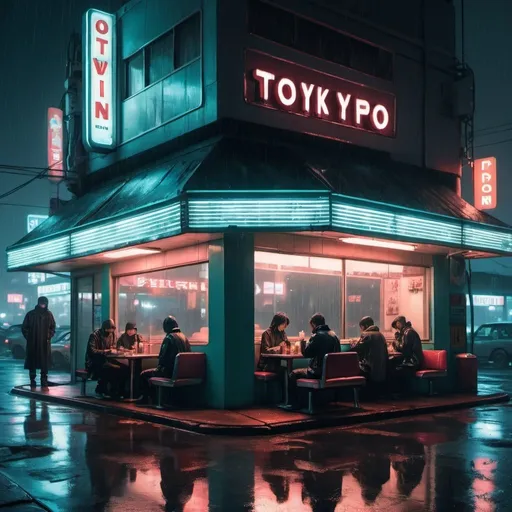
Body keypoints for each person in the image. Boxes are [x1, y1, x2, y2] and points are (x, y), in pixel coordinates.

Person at [288, 313, 340, 408]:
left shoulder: (317, 336)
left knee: (293, 374)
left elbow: (307, 354)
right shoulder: (334, 335)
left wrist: (302, 341)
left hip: (318, 373)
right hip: (333, 373)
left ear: (313, 324)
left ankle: (295, 404)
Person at [137, 316, 191, 405]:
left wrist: (159, 367)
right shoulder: (184, 337)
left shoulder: (169, 338)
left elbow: (162, 358)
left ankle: (148, 400)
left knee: (144, 375)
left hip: (168, 372)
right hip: (183, 373)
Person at [85, 319, 128, 398]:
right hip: (95, 362)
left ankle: (120, 391)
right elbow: (92, 351)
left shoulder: (113, 335)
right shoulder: (94, 335)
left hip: (108, 360)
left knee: (125, 368)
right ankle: (105, 390)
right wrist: (106, 351)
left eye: (112, 329)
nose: (110, 331)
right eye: (109, 329)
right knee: (110, 369)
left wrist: (119, 350)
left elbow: (114, 346)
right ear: (104, 328)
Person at [22, 296, 56, 391]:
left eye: (44, 303)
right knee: (33, 362)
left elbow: (53, 327)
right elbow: (24, 328)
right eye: (41, 303)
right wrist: (30, 337)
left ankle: (44, 381)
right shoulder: (31, 314)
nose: (43, 305)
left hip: (44, 343)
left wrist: (48, 336)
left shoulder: (49, 315)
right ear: (38, 303)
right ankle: (32, 381)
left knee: (44, 363)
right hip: (33, 343)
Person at [350, 316, 388, 386]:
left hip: (369, 369)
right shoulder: (381, 335)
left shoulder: (366, 334)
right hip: (382, 370)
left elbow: (357, 349)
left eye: (361, 327)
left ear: (365, 326)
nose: (361, 330)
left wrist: (352, 345)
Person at [391, 315, 425, 392]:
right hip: (411, 360)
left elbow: (404, 349)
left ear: (399, 323)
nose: (396, 328)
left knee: (395, 370)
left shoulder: (408, 332)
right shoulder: (407, 331)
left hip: (413, 362)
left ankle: (401, 393)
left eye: (396, 326)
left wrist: (395, 341)